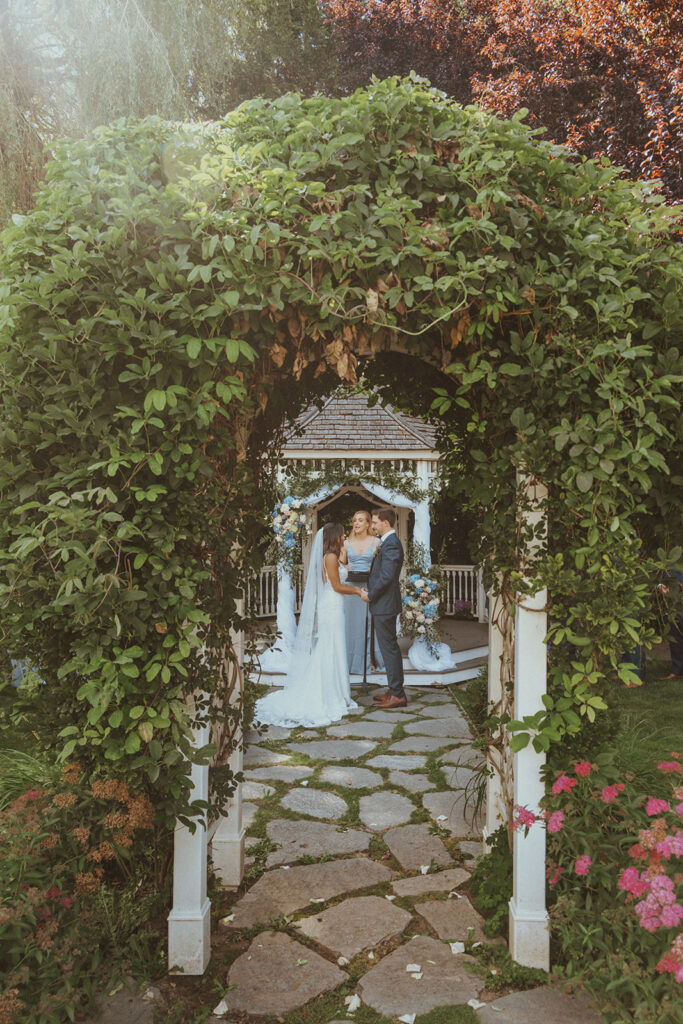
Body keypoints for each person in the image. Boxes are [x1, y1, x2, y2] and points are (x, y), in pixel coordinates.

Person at [254, 523, 364, 728]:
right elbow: (337, 586)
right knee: (330, 647)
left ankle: (337, 691)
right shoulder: (330, 558)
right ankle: (329, 693)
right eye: (341, 535)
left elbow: (339, 573)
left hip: (334, 606)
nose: (344, 537)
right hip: (331, 607)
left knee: (333, 646)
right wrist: (358, 591)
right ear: (334, 537)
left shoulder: (334, 557)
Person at [367, 508, 408, 708]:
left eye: (375, 522)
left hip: (384, 604)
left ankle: (398, 694)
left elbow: (387, 577)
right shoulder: (387, 542)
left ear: (386, 523)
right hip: (382, 603)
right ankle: (393, 689)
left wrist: (371, 594)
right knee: (387, 648)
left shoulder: (391, 544)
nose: (372, 525)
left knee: (389, 649)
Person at [342, 510, 384, 675]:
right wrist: (344, 566)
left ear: (368, 524)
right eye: (354, 520)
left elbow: (383, 565)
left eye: (360, 520)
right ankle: (349, 661)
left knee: (369, 625)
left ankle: (370, 661)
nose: (356, 523)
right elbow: (339, 563)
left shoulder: (377, 542)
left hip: (369, 587)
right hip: (351, 590)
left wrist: (373, 570)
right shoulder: (346, 543)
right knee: (351, 626)